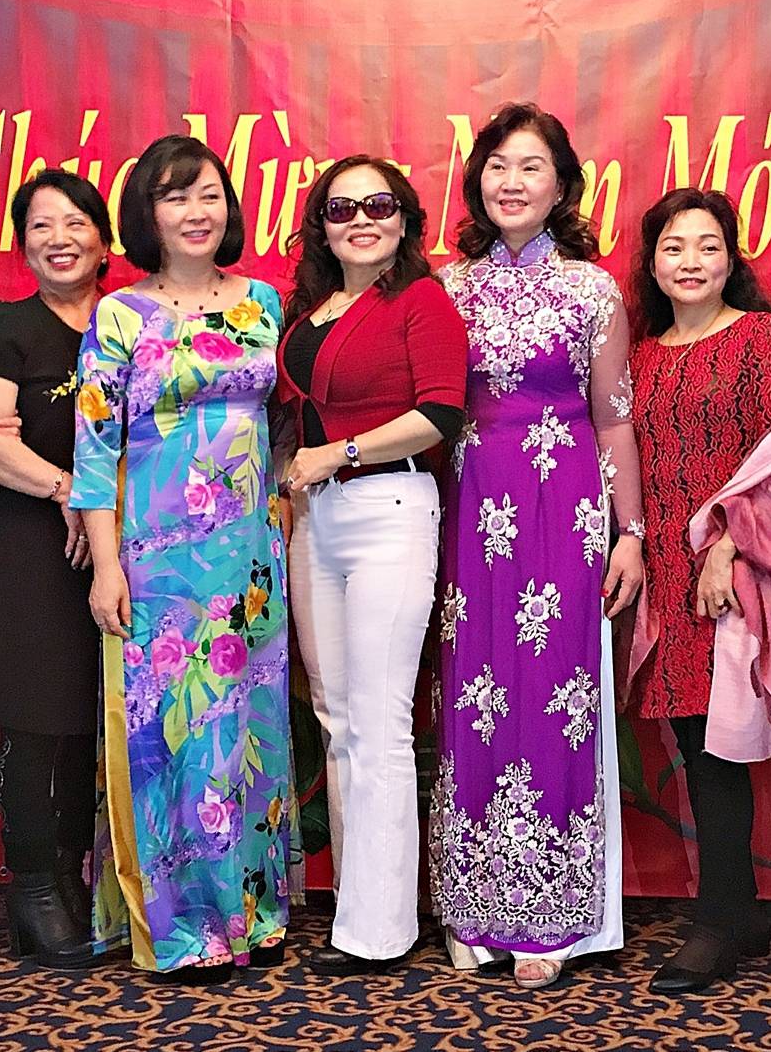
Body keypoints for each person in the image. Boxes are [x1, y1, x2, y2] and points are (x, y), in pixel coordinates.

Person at [430, 102, 644, 989]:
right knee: (473, 689)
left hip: (566, 506)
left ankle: (555, 911)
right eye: (497, 166)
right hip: (473, 505)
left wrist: (631, 533)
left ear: (562, 187)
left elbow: (615, 420)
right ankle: (473, 903)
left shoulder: (593, 290)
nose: (511, 182)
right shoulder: (447, 289)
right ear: (476, 181)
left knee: (559, 693)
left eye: (531, 167)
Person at [71, 135, 292, 981]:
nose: (196, 212)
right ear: (147, 213)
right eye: (175, 196)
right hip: (159, 558)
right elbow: (94, 452)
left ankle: (254, 911)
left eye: (208, 194)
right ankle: (185, 923)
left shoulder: (264, 301)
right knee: (173, 730)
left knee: (248, 728)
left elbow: (285, 424)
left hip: (251, 556)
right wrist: (105, 565)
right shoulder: (120, 315)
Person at [276, 155, 468, 973]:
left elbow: (442, 411)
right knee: (336, 716)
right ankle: (359, 908)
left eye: (378, 204)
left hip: (390, 506)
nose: (361, 219)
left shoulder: (421, 299)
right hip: (317, 517)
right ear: (321, 225)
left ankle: (381, 930)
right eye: (341, 207)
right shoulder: (309, 309)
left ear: (406, 219)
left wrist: (340, 451)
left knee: (381, 721)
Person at [623, 188, 771, 994]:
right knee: (691, 737)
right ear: (652, 262)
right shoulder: (642, 353)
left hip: (729, 569)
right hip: (661, 570)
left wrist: (729, 546)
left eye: (707, 245)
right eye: (674, 247)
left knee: (715, 743)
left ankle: (720, 920)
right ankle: (744, 907)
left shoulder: (757, 336)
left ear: (731, 258)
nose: (691, 261)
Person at [0, 169, 110, 970]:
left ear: (104, 240)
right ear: (23, 246)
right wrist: (66, 490)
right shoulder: (8, 325)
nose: (59, 238)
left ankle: (78, 878)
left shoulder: (131, 320)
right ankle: (35, 889)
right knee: (35, 719)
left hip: (125, 547)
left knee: (91, 720)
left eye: (75, 222)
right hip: (30, 545)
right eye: (41, 225)